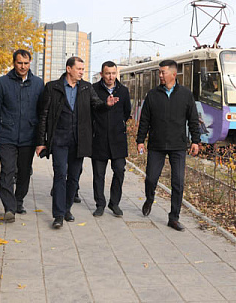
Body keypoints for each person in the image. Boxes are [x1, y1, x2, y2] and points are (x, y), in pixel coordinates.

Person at [35, 57, 118, 229]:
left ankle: (67, 209)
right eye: (79, 69)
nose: (81, 72)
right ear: (69, 69)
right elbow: (43, 115)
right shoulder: (52, 87)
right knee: (60, 175)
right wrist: (41, 141)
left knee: (73, 177)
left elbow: (96, 106)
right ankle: (58, 215)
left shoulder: (86, 87)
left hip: (79, 141)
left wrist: (106, 105)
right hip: (59, 140)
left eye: (83, 69)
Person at [136, 59, 201, 231]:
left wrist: (195, 141)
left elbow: (193, 120)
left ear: (173, 74)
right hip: (156, 145)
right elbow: (144, 120)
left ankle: (174, 218)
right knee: (151, 179)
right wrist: (140, 140)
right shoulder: (152, 95)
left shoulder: (186, 95)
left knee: (178, 182)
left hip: (178, 145)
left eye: (162, 72)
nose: (160, 75)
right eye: (159, 72)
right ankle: (150, 198)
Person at [0, 50, 44, 223]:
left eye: (26, 63)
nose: (23, 67)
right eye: (19, 63)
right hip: (7, 135)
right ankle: (9, 208)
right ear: (14, 63)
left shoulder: (38, 84)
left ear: (30, 63)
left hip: (29, 136)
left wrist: (42, 139)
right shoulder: (2, 83)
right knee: (7, 171)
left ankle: (18, 201)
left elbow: (42, 112)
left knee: (24, 172)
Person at [91, 61, 131, 217]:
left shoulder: (123, 91)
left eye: (113, 73)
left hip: (118, 139)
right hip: (99, 138)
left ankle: (114, 203)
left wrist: (118, 125)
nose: (111, 76)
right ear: (102, 74)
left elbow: (126, 112)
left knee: (119, 171)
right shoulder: (94, 89)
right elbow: (92, 110)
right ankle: (100, 204)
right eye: (107, 73)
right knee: (98, 174)